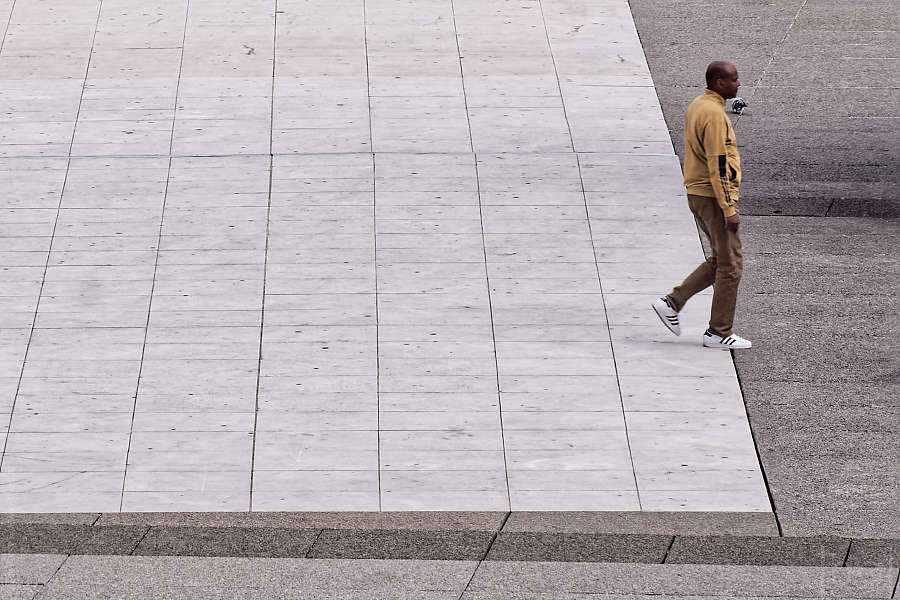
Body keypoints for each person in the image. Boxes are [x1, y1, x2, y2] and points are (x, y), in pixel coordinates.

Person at [652, 61, 752, 349]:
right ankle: (719, 332)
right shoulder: (714, 114)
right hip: (712, 197)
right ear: (719, 82)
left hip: (699, 193)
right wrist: (729, 208)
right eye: (734, 79)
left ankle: (672, 302)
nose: (738, 83)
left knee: (721, 259)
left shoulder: (699, 105)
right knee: (731, 265)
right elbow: (718, 165)